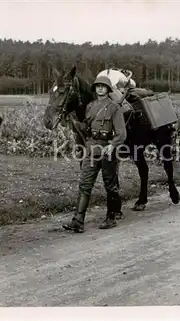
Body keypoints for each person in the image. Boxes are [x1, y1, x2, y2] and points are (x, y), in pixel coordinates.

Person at [63, 76, 127, 233]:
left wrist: (112, 145)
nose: (100, 89)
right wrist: (75, 122)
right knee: (85, 184)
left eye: (103, 86)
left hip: (107, 150)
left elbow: (121, 133)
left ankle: (111, 217)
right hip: (91, 150)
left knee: (110, 185)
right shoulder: (90, 106)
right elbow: (86, 127)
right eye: (97, 86)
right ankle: (78, 220)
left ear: (108, 89)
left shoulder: (114, 108)